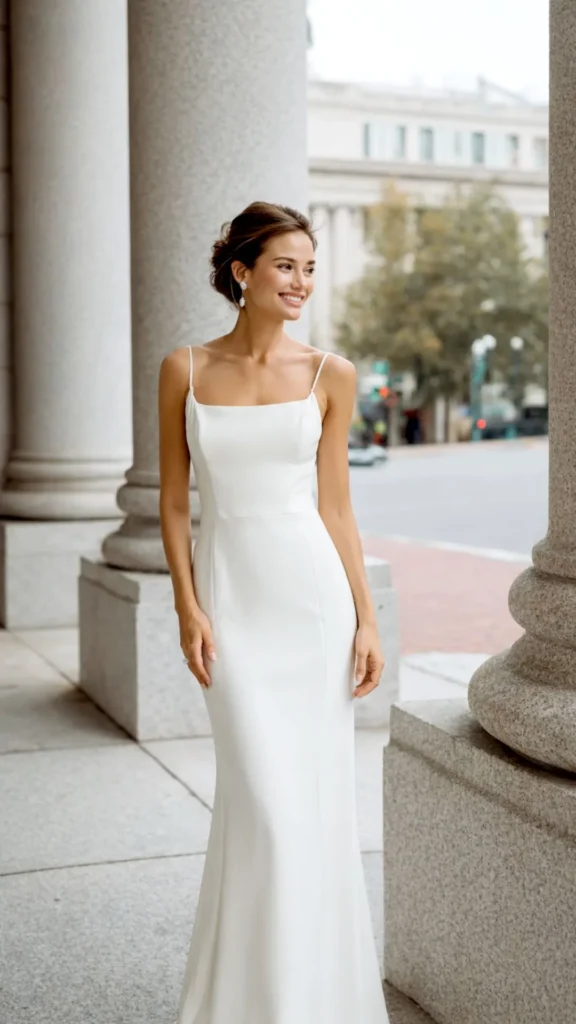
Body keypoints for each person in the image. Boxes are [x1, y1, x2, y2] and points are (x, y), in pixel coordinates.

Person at [158, 201, 387, 1024]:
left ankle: (307, 1002)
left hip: (312, 609)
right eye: (285, 265)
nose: (301, 282)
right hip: (232, 607)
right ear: (242, 272)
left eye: (309, 268)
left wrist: (366, 619)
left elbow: (337, 508)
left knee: (307, 811)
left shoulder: (331, 375)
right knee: (259, 803)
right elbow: (174, 503)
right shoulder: (184, 369)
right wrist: (187, 605)